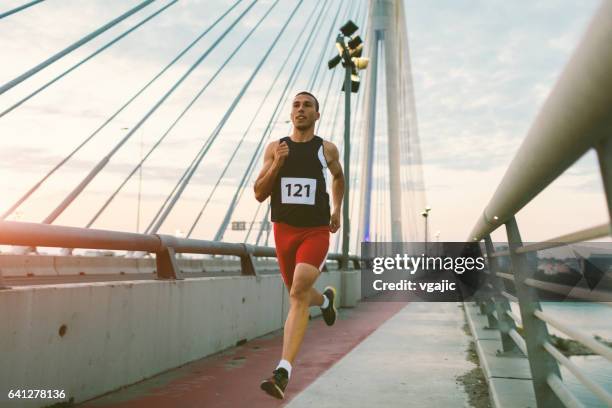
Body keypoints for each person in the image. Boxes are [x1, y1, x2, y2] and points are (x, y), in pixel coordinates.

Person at [254, 91, 345, 399]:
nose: (301, 109)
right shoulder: (275, 148)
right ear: (291, 114)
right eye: (296, 105)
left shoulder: (326, 149)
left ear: (317, 115)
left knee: (296, 292)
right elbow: (258, 193)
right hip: (284, 232)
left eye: (308, 105)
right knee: (302, 294)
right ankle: (326, 302)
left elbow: (338, 178)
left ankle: (283, 371)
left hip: (315, 232)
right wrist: (277, 164)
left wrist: (337, 209)